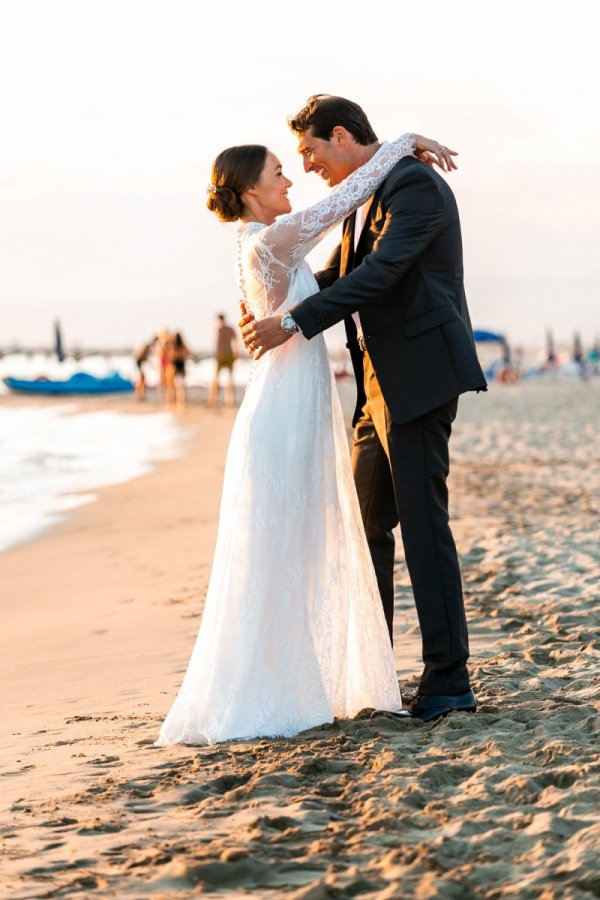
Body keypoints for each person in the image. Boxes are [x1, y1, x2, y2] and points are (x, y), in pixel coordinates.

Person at [156, 128, 453, 746]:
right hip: (284, 412)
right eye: (278, 173)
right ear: (250, 192)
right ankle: (280, 689)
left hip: (295, 403)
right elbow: (346, 198)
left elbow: (334, 268)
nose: (291, 178)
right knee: (289, 545)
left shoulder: (267, 243)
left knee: (296, 545)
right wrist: (402, 142)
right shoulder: (273, 238)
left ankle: (301, 680)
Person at [241, 95, 487, 723]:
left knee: (423, 525)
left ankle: (448, 681)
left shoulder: (415, 187)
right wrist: (279, 311)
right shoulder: (365, 193)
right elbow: (336, 278)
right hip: (377, 387)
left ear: (343, 136)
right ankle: (375, 673)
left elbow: (382, 273)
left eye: (311, 151)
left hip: (422, 376)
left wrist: (293, 324)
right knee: (368, 523)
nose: (307, 166)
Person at [208, 313, 238, 406]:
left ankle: (213, 398)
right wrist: (236, 352)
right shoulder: (230, 329)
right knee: (229, 377)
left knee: (216, 377)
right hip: (229, 352)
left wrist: (217, 354)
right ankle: (230, 399)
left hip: (221, 354)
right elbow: (235, 341)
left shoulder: (219, 329)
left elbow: (218, 343)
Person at [165, 331, 193, 412]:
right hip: (179, 369)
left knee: (172, 389)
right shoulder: (182, 347)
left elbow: (167, 356)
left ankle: (172, 405)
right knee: (180, 389)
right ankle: (180, 406)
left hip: (173, 369)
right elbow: (190, 354)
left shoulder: (171, 347)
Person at [134, 335, 157, 400]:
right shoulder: (148, 346)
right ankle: (139, 395)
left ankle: (140, 395)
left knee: (142, 379)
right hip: (139, 362)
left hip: (139, 362)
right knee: (142, 379)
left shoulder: (147, 346)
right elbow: (141, 355)